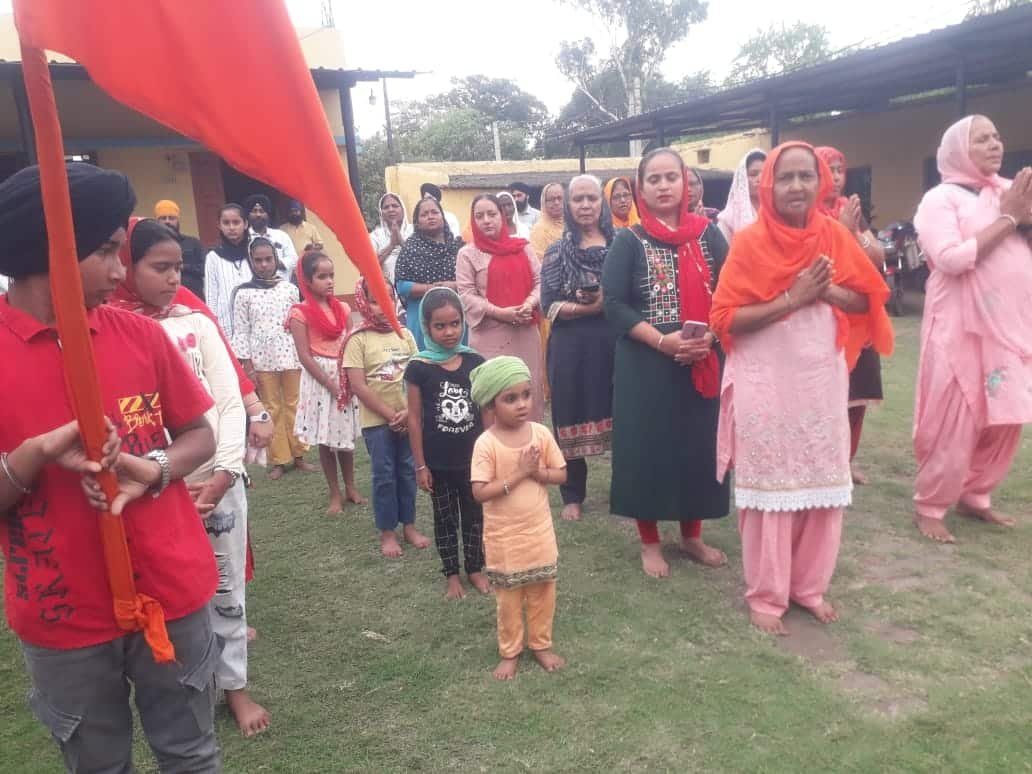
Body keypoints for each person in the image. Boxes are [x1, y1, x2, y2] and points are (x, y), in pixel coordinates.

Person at [0, 162, 221, 771]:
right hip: (62, 614)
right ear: (48, 248)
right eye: (104, 252)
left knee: (192, 755)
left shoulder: (139, 335)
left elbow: (200, 436)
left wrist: (153, 469)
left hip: (171, 590)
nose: (121, 272)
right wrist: (34, 455)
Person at [710, 141, 893, 635]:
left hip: (820, 378)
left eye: (806, 176)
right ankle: (766, 594)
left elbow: (867, 300)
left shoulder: (833, 235)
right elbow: (725, 318)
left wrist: (825, 290)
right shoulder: (749, 242)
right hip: (765, 378)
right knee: (769, 482)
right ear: (768, 185)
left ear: (821, 183)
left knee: (821, 479)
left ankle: (809, 587)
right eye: (786, 177)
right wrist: (792, 297)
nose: (796, 186)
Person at [109, 216, 270, 737]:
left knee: (226, 588)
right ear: (126, 267)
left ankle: (235, 687)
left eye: (178, 267)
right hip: (151, 489)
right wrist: (162, 477)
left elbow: (227, 403)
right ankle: (184, 686)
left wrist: (223, 475)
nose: (174, 278)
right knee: (170, 594)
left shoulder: (194, 321)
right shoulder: (109, 330)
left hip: (216, 481)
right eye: (160, 267)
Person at [602, 147, 730, 578]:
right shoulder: (629, 240)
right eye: (653, 179)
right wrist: (661, 341)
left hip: (701, 359)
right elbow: (614, 304)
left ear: (685, 182)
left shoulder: (709, 235)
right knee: (648, 448)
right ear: (641, 188)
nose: (662, 186)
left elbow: (731, 294)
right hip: (646, 363)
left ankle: (692, 535)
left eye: (670, 177)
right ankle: (650, 541)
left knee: (697, 445)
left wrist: (710, 336)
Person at [911, 115, 1032, 544]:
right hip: (959, 325)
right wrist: (1009, 218)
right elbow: (950, 259)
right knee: (956, 418)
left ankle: (976, 495)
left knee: (1006, 418)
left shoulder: (1006, 192)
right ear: (958, 150)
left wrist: (1023, 216)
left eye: (997, 136)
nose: (994, 144)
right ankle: (931, 505)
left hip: (1011, 327)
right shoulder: (940, 199)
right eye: (981, 139)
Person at [470, 356, 567, 681]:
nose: (522, 404)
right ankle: (510, 652)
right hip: (505, 538)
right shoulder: (486, 444)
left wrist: (538, 473)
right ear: (491, 405)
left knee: (543, 593)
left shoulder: (540, 434)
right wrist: (520, 473)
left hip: (539, 532)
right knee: (509, 601)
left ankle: (541, 645)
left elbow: (561, 474)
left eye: (526, 394)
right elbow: (480, 492)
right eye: (510, 398)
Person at [405, 287, 489, 598]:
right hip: (437, 464)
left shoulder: (475, 362)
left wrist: (490, 454)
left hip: (472, 461)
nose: (449, 331)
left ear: (463, 322)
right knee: (445, 518)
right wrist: (421, 465)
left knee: (475, 517)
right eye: (440, 326)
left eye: (455, 323)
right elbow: (414, 418)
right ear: (426, 328)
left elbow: (486, 410)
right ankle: (451, 573)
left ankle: (475, 568)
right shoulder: (419, 367)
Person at [541, 175, 615, 522]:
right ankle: (572, 495)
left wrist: (607, 301)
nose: (585, 205)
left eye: (592, 198)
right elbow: (548, 305)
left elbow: (634, 294)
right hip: (570, 345)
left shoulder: (622, 246)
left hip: (615, 343)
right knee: (569, 411)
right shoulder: (557, 252)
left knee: (622, 412)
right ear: (568, 206)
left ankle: (625, 489)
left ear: (602, 203)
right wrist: (589, 308)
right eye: (578, 199)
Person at [340, 279, 431, 558]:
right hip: (377, 423)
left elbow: (418, 375)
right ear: (362, 303)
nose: (382, 306)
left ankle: (409, 526)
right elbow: (358, 386)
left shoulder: (405, 334)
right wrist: (392, 414)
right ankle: (388, 532)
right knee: (384, 476)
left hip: (407, 419)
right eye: (374, 301)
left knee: (407, 471)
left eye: (387, 299)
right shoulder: (357, 339)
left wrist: (409, 413)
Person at [815, 146, 887, 486]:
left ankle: (846, 461)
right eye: (827, 169)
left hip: (859, 316)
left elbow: (878, 257)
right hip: (825, 318)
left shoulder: (850, 211)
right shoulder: (806, 215)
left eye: (839, 169)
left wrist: (854, 232)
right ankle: (823, 462)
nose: (835, 177)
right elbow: (822, 263)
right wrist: (841, 232)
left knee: (856, 396)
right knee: (826, 397)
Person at [456, 194, 544, 421]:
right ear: (473, 221)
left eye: (491, 214)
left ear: (502, 216)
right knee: (494, 392)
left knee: (526, 388)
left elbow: (540, 282)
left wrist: (528, 304)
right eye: (479, 216)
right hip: (489, 334)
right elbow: (466, 294)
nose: (486, 220)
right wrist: (500, 313)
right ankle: (494, 442)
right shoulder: (467, 254)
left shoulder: (522, 248)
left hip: (524, 332)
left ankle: (530, 440)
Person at [288, 250, 364, 512]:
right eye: (322, 277)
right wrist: (331, 385)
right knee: (326, 439)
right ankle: (334, 492)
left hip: (344, 374)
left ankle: (351, 486)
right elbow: (304, 356)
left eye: (331, 275)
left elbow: (351, 343)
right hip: (319, 382)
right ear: (306, 280)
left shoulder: (343, 308)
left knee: (344, 436)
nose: (329, 281)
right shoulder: (299, 313)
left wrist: (350, 379)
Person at [232, 237, 314, 480]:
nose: (264, 265)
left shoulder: (289, 289)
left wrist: (305, 351)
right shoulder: (243, 293)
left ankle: (299, 454)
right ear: (251, 261)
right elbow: (241, 330)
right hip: (262, 360)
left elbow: (300, 321)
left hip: (291, 356)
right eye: (258, 260)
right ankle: (279, 459)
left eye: (268, 259)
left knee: (295, 404)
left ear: (276, 259)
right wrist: (247, 365)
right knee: (271, 407)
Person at [394, 196, 464, 349]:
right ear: (417, 222)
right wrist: (431, 289)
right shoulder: (410, 249)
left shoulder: (457, 246)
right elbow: (402, 286)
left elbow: (470, 281)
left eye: (434, 212)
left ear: (442, 216)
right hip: (422, 315)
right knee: (427, 360)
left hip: (455, 315)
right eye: (424, 214)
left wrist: (452, 285)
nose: (430, 217)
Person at [529, 181, 565, 403]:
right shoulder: (539, 230)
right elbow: (539, 265)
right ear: (543, 202)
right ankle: (551, 387)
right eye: (551, 199)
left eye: (560, 198)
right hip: (552, 293)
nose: (556, 203)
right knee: (551, 343)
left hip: (575, 294)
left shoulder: (573, 225)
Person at [204, 202, 253, 333]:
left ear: (245, 224)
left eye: (236, 222)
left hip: (256, 319)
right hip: (226, 323)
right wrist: (213, 323)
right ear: (219, 225)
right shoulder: (213, 257)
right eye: (226, 223)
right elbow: (211, 294)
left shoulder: (255, 252)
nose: (231, 227)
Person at [154, 199, 206, 298]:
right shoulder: (152, 246)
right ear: (157, 221)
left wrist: (182, 266)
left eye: (171, 218)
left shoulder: (193, 243)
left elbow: (204, 268)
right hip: (165, 298)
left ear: (177, 220)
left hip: (194, 297)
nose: (167, 221)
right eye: (163, 218)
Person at [243, 193, 299, 280]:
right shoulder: (243, 238)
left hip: (281, 285)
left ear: (268, 214)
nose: (258, 214)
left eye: (262, 211)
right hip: (254, 286)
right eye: (254, 211)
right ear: (248, 215)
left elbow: (294, 259)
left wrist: (273, 263)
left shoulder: (281, 235)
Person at [718, 148, 766, 244]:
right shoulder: (728, 217)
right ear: (742, 178)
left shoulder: (779, 209)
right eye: (753, 174)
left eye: (765, 173)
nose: (760, 179)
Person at [369, 192, 412, 284]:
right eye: (386, 207)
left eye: (395, 206)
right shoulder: (375, 236)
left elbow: (422, 259)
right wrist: (391, 245)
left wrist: (401, 241)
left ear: (403, 209)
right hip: (386, 288)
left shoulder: (414, 231)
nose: (391, 209)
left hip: (413, 287)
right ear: (381, 212)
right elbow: (369, 266)